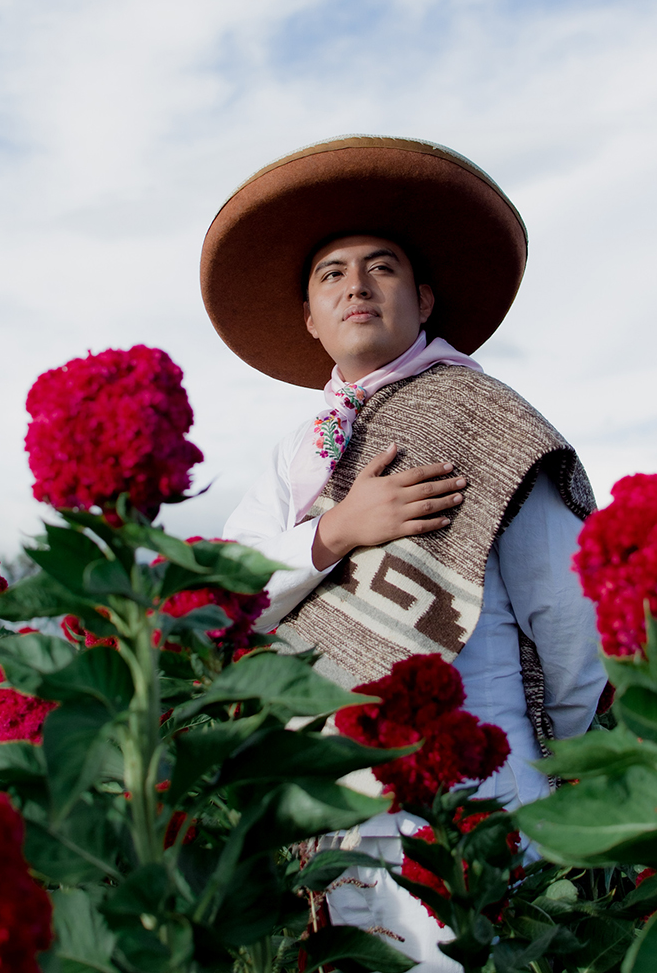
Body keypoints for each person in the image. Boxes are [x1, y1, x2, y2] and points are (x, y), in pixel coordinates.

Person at [200, 136, 605, 971]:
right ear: (311, 319)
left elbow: (569, 613)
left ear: (422, 300)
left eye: (381, 268)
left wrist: (554, 750)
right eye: (332, 273)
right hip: (338, 800)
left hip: (477, 785)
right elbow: (228, 595)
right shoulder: (296, 453)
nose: (356, 285)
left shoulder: (486, 421)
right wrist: (336, 531)